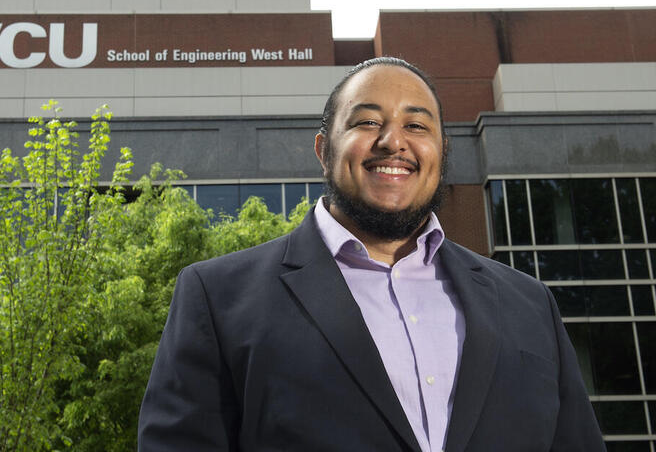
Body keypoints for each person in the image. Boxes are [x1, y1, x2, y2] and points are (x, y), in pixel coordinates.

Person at [138, 57, 605, 451]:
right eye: (367, 122)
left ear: (441, 152)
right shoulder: (218, 298)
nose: (393, 142)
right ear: (324, 151)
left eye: (416, 125)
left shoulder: (530, 304)